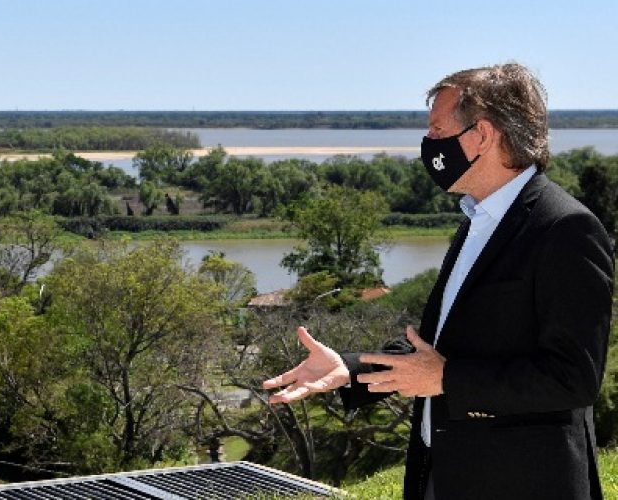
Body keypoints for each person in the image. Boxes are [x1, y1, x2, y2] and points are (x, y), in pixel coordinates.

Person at [263, 63, 614, 500]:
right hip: (446, 473)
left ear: (482, 135)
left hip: (521, 482)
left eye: (436, 129)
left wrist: (449, 380)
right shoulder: (478, 218)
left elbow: (574, 378)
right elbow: (440, 343)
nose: (428, 144)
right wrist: (349, 369)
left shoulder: (565, 229)